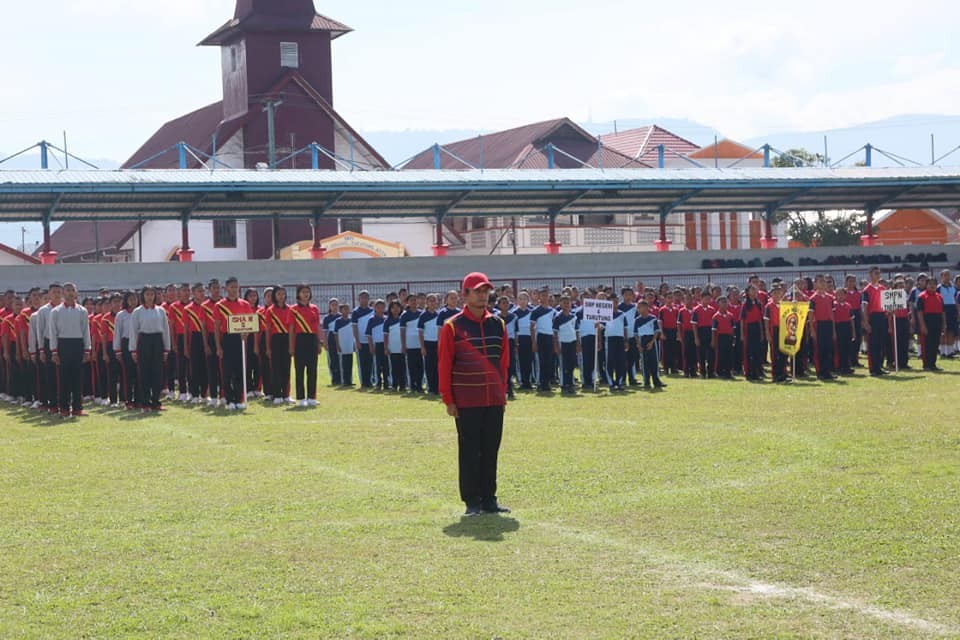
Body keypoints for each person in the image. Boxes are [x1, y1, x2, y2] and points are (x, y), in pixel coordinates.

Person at [438, 272, 510, 517]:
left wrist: (502, 393)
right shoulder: (452, 327)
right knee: (469, 450)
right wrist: (448, 399)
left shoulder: (498, 324)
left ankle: (489, 498)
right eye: (477, 291)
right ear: (465, 295)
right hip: (467, 401)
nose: (483, 295)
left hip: (493, 400)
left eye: (485, 291)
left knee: (491, 449)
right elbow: (444, 364)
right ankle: (472, 500)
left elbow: (503, 363)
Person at [48, 283, 92, 418]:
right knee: (64, 378)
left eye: (73, 290)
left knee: (78, 378)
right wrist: (54, 351)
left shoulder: (82, 311)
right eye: (68, 290)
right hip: (63, 345)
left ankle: (78, 408)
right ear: (63, 293)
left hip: (78, 344)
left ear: (76, 293)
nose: (70, 293)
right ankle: (64, 408)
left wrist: (87, 349)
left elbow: (86, 331)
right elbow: (53, 333)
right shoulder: (55, 311)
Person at [215, 277, 255, 411]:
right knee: (227, 371)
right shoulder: (219, 305)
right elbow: (216, 327)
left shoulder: (245, 304)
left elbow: (250, 324)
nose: (234, 289)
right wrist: (218, 346)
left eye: (236, 287)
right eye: (231, 287)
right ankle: (229, 399)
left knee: (240, 370)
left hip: (241, 340)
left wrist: (246, 334)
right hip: (227, 339)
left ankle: (239, 398)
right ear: (226, 289)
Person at [130, 286, 171, 412]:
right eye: (147, 294)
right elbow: (133, 331)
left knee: (157, 373)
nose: (150, 297)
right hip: (144, 341)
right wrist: (133, 350)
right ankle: (145, 403)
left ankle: (156, 402)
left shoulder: (161, 311)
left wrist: (166, 349)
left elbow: (165, 330)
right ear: (143, 296)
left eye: (152, 294)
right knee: (144, 373)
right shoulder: (137, 311)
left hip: (157, 341)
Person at [290, 285, 321, 407]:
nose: (306, 294)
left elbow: (317, 327)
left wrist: (319, 343)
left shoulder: (315, 308)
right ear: (298, 294)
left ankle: (312, 397)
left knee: (312, 370)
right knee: (300, 370)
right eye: (303, 292)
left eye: (308, 292)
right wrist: (291, 346)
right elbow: (291, 329)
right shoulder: (293, 309)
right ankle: (301, 397)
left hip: (312, 339)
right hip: (300, 339)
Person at [265, 286, 293, 404]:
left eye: (283, 294)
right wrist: (268, 347)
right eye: (278, 294)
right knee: (276, 368)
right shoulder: (270, 310)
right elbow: (267, 330)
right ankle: (277, 395)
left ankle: (286, 395)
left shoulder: (290, 309)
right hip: (275, 340)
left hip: (286, 338)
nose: (281, 296)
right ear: (274, 296)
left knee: (286, 368)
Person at [183, 283, 209, 404]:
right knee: (194, 368)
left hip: (207, 337)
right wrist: (186, 347)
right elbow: (186, 329)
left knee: (205, 367)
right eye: (199, 291)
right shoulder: (187, 309)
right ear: (193, 293)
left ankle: (204, 394)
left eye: (203, 291)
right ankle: (194, 394)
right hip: (195, 338)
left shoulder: (208, 306)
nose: (202, 293)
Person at [862, 267, 889, 376]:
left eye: (879, 273)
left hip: (882, 316)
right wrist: (866, 322)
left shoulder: (883, 288)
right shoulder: (867, 290)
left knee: (881, 343)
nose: (878, 275)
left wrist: (889, 311)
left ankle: (879, 367)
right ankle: (873, 369)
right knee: (873, 344)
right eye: (875, 273)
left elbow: (886, 305)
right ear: (870, 274)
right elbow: (864, 307)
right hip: (872, 317)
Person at [114, 290, 139, 409]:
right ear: (126, 301)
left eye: (135, 299)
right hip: (126, 343)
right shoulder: (121, 315)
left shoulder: (141, 312)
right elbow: (117, 333)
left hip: (140, 344)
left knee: (140, 373)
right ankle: (128, 400)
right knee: (128, 374)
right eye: (130, 299)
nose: (133, 301)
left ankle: (140, 399)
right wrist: (117, 350)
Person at [809, 275, 837, 381]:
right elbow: (811, 315)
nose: (823, 284)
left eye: (824, 282)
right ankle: (820, 372)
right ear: (815, 284)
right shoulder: (813, 299)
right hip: (819, 325)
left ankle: (827, 371)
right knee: (820, 350)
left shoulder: (830, 298)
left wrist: (833, 330)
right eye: (820, 282)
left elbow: (832, 315)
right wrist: (812, 329)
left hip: (828, 325)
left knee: (828, 349)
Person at [634, 299, 665, 390]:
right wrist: (638, 344)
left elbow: (656, 331)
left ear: (646, 307)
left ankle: (656, 381)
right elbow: (636, 333)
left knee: (654, 362)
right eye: (638, 307)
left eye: (640, 307)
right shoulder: (637, 320)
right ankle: (646, 381)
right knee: (644, 362)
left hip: (651, 340)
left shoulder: (653, 318)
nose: (638, 309)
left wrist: (652, 342)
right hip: (642, 340)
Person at [202, 279, 224, 406]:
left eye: (218, 287)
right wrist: (206, 345)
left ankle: (223, 395)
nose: (216, 290)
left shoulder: (224, 303)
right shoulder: (204, 306)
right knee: (212, 368)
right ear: (209, 290)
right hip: (211, 337)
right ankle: (213, 396)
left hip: (224, 336)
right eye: (214, 288)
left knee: (224, 368)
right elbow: (203, 327)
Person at [917, 276, 945, 371]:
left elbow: (943, 312)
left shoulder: (939, 297)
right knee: (927, 344)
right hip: (927, 321)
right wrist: (922, 325)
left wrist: (944, 324)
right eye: (930, 284)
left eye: (934, 284)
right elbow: (920, 312)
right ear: (926, 285)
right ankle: (926, 365)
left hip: (937, 321)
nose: (932, 286)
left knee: (935, 343)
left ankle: (933, 364)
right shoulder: (922, 296)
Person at [531, 289, 556, 392]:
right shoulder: (535, 311)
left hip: (550, 337)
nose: (545, 297)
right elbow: (532, 327)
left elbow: (555, 327)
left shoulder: (553, 311)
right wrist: (534, 342)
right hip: (541, 337)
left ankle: (547, 383)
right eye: (542, 295)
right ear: (539, 297)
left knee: (549, 362)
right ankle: (540, 383)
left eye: (546, 295)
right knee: (541, 361)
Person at [553, 295, 579, 394]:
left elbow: (576, 331)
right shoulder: (557, 317)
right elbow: (555, 333)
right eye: (564, 303)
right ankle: (564, 385)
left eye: (568, 303)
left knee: (572, 364)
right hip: (562, 343)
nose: (566, 305)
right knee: (564, 365)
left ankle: (570, 383)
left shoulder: (574, 317)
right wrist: (556, 346)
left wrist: (577, 344)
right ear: (560, 304)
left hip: (572, 342)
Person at [603, 294, 628, 392]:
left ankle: (619, 382)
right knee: (610, 361)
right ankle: (611, 383)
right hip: (609, 339)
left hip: (620, 339)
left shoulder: (622, 314)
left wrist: (626, 340)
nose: (615, 304)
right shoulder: (605, 314)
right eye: (613, 302)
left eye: (616, 302)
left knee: (620, 361)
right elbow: (601, 326)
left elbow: (625, 328)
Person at [740, 285, 765, 381]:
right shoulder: (745, 304)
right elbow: (742, 320)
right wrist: (742, 334)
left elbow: (759, 319)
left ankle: (756, 372)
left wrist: (762, 333)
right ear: (748, 292)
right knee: (748, 352)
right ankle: (748, 372)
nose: (754, 291)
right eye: (752, 290)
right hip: (748, 328)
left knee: (757, 352)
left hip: (757, 329)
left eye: (755, 289)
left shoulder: (758, 303)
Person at [351, 291, 375, 389]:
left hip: (370, 341)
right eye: (362, 298)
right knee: (362, 362)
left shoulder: (372, 311)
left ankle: (370, 381)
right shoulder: (355, 312)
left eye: (366, 297)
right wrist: (357, 340)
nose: (364, 300)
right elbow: (354, 327)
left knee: (370, 362)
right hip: (360, 341)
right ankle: (363, 382)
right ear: (358, 299)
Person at [400, 295, 423, 393]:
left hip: (420, 345)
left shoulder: (422, 314)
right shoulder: (404, 315)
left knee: (420, 367)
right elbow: (402, 332)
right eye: (411, 300)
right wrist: (403, 345)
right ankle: (412, 386)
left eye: (415, 300)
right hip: (410, 345)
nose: (413, 302)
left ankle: (419, 385)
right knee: (411, 367)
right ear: (407, 302)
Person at [765, 286, 788, 383]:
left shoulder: (784, 305)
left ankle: (783, 373)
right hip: (774, 330)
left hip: (783, 329)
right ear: (771, 294)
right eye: (775, 293)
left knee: (783, 353)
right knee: (775, 353)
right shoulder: (769, 306)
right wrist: (767, 333)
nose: (777, 295)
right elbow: (766, 321)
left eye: (779, 293)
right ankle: (775, 374)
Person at [419, 294, 441, 395]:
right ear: (427, 303)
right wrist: (422, 347)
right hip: (428, 344)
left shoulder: (439, 315)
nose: (432, 303)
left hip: (438, 344)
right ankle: (431, 388)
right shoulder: (423, 316)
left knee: (438, 367)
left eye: (434, 301)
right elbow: (420, 333)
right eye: (430, 301)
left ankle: (438, 388)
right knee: (429, 367)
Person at [692, 291, 716, 379]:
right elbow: (694, 324)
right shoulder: (696, 310)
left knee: (711, 354)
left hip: (709, 331)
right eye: (706, 299)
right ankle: (702, 372)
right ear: (701, 299)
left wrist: (713, 338)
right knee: (701, 354)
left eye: (709, 299)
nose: (707, 301)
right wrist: (696, 338)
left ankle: (711, 372)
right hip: (700, 331)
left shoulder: (712, 310)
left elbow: (714, 325)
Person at [384, 300, 406, 391]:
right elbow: (385, 335)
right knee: (394, 367)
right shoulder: (387, 321)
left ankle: (403, 386)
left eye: (397, 307)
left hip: (402, 348)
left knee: (403, 367)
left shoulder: (403, 319)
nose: (396, 309)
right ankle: (394, 385)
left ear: (401, 308)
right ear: (390, 309)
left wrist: (404, 346)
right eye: (393, 307)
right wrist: (386, 348)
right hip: (392, 348)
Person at [366, 300, 388, 390]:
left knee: (386, 365)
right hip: (377, 345)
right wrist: (371, 346)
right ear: (374, 308)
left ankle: (386, 382)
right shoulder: (371, 320)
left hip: (385, 344)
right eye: (378, 307)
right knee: (377, 365)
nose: (380, 309)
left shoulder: (386, 319)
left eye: (382, 307)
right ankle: (378, 382)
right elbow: (368, 334)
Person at [712, 297, 736, 379]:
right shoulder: (716, 316)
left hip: (728, 337)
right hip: (720, 337)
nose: (725, 304)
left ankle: (728, 372)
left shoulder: (731, 315)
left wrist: (733, 338)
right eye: (722, 302)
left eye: (726, 302)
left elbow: (733, 328)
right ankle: (719, 372)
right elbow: (714, 330)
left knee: (729, 355)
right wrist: (713, 340)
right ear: (718, 304)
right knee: (720, 355)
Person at [833, 288, 855, 376]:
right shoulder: (834, 305)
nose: (840, 296)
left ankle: (847, 366)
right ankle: (839, 366)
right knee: (839, 348)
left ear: (845, 295)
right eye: (838, 294)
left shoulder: (848, 305)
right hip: (838, 327)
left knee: (847, 348)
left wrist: (853, 332)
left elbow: (852, 320)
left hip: (847, 327)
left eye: (842, 294)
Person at [334, 303, 355, 387]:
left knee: (350, 363)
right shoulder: (338, 321)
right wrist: (337, 345)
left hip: (349, 344)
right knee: (343, 364)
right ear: (341, 310)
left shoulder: (351, 320)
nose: (346, 311)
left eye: (347, 309)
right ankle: (344, 380)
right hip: (342, 344)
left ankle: (349, 380)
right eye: (344, 309)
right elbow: (335, 334)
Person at [936, 269, 957, 357]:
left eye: (948, 275)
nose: (947, 277)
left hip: (952, 309)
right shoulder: (938, 288)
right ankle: (942, 351)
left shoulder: (953, 288)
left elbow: (955, 299)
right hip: (943, 310)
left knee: (951, 331)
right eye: (945, 275)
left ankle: (950, 351)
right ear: (941, 277)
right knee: (943, 331)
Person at [322, 299, 341, 386]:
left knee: (340, 359)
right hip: (331, 340)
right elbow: (325, 332)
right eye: (333, 305)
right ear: (329, 306)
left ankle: (342, 378)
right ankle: (334, 378)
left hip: (340, 339)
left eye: (336, 304)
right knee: (332, 360)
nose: (334, 306)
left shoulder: (341, 317)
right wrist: (325, 343)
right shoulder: (327, 318)